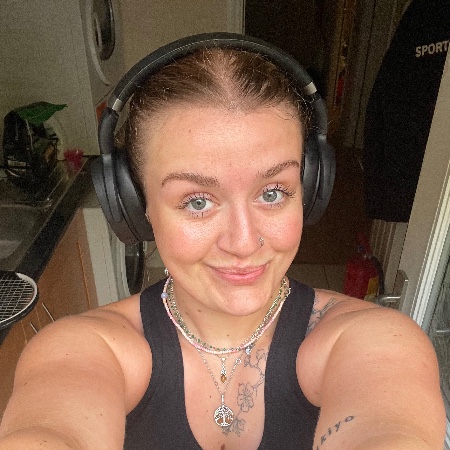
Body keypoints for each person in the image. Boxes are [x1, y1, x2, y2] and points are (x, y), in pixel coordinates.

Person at [0, 34, 446, 450]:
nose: (243, 242)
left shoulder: (376, 340)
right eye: (197, 201)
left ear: (309, 191)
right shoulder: (80, 349)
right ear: (136, 206)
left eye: (273, 193)